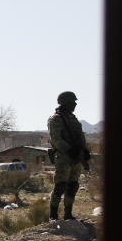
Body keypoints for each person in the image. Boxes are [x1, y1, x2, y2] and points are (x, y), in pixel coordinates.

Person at [47, 91, 91, 220]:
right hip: (64, 157)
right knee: (60, 185)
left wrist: (84, 151)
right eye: (72, 102)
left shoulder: (73, 119)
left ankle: (68, 214)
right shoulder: (55, 119)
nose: (75, 104)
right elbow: (56, 140)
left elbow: (80, 137)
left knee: (73, 185)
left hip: (76, 157)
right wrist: (70, 150)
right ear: (65, 103)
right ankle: (53, 215)